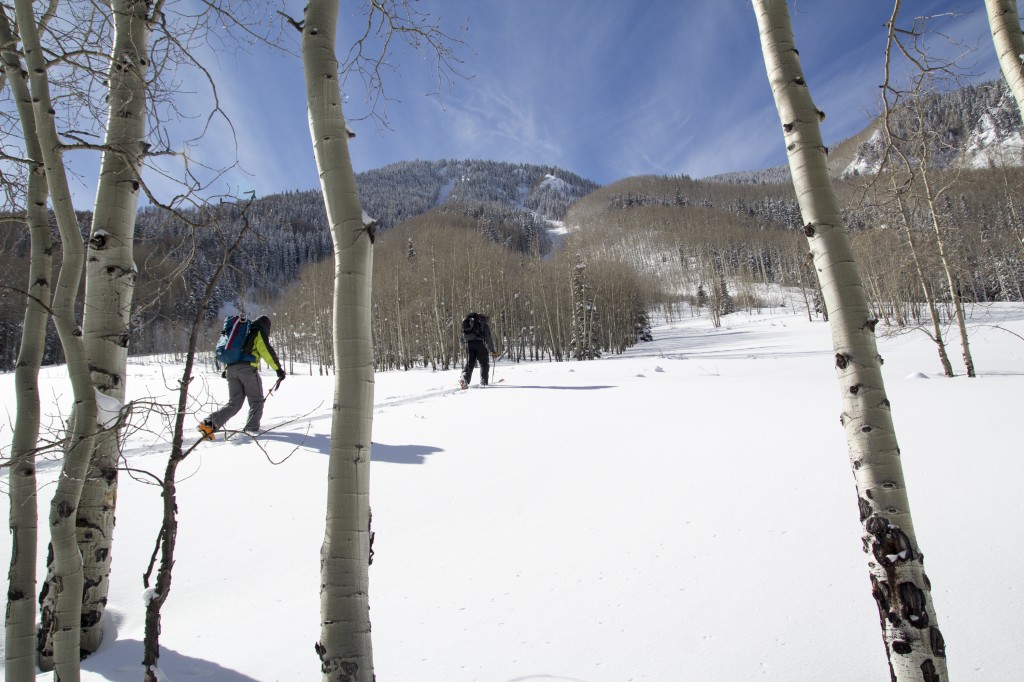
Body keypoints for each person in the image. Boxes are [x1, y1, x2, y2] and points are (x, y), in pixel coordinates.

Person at [199, 315, 285, 439]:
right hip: (247, 370)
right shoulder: (257, 332)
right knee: (256, 401)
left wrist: (229, 369)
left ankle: (207, 425)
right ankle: (251, 432)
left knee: (234, 404)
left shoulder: (244, 332)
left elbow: (235, 351)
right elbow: (266, 352)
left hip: (230, 370)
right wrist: (278, 369)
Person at [459, 311, 495, 389]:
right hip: (479, 343)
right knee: (484, 363)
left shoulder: (467, 321)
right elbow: (488, 338)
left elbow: (462, 337)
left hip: (468, 344)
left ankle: (464, 378)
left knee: (470, 363)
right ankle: (483, 382)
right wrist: (492, 350)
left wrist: (464, 346)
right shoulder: (482, 323)